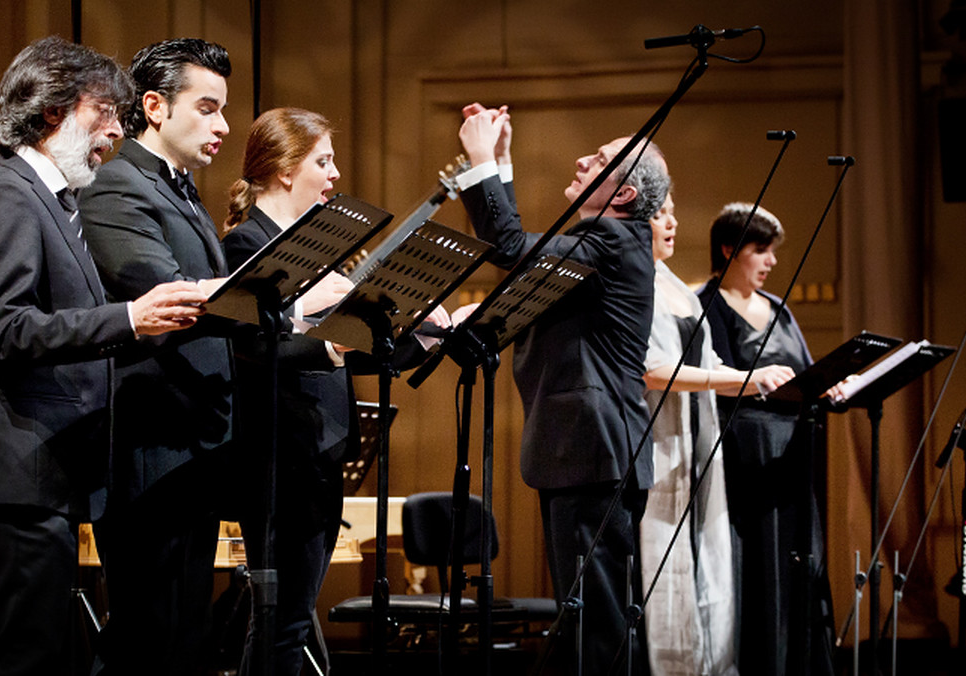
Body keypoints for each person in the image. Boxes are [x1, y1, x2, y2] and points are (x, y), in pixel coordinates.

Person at [0, 36, 208, 676]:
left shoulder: (58, 204)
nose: (116, 132)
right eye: (106, 113)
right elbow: (8, 329)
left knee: (43, 655)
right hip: (17, 474)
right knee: (21, 657)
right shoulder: (7, 194)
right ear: (55, 109)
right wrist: (128, 318)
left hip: (46, 475)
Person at [221, 107, 454, 675]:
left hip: (319, 453)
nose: (334, 174)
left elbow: (356, 353)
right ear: (283, 168)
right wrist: (331, 341)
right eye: (322, 161)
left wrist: (432, 334)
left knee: (293, 619)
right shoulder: (246, 245)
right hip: (279, 457)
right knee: (282, 621)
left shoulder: (318, 259)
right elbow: (251, 348)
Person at [456, 103, 668, 674]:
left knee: (595, 623)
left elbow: (509, 249)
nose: (580, 159)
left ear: (622, 195)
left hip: (593, 452)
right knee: (589, 618)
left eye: (599, 160)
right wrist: (500, 162)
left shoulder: (609, 239)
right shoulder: (606, 243)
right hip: (589, 452)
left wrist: (477, 161)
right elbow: (526, 259)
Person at [76, 38, 236, 676]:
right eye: (207, 107)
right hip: (151, 451)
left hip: (193, 448)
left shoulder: (185, 191)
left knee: (184, 639)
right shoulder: (116, 183)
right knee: (150, 640)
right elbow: (159, 292)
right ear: (154, 107)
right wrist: (284, 290)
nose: (223, 125)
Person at [638, 194, 793, 676]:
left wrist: (754, 376)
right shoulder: (647, 286)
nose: (673, 221)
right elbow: (655, 370)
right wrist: (745, 379)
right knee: (666, 575)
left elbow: (709, 366)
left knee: (712, 576)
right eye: (660, 213)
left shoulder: (676, 290)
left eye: (672, 210)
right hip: (663, 447)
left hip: (701, 448)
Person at [696, 203, 836, 676]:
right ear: (729, 249)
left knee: (799, 559)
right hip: (742, 452)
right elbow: (705, 375)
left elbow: (806, 368)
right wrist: (752, 378)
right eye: (761, 250)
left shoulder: (779, 308)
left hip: (793, 451)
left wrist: (828, 384)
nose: (771, 260)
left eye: (773, 251)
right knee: (753, 562)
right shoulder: (705, 303)